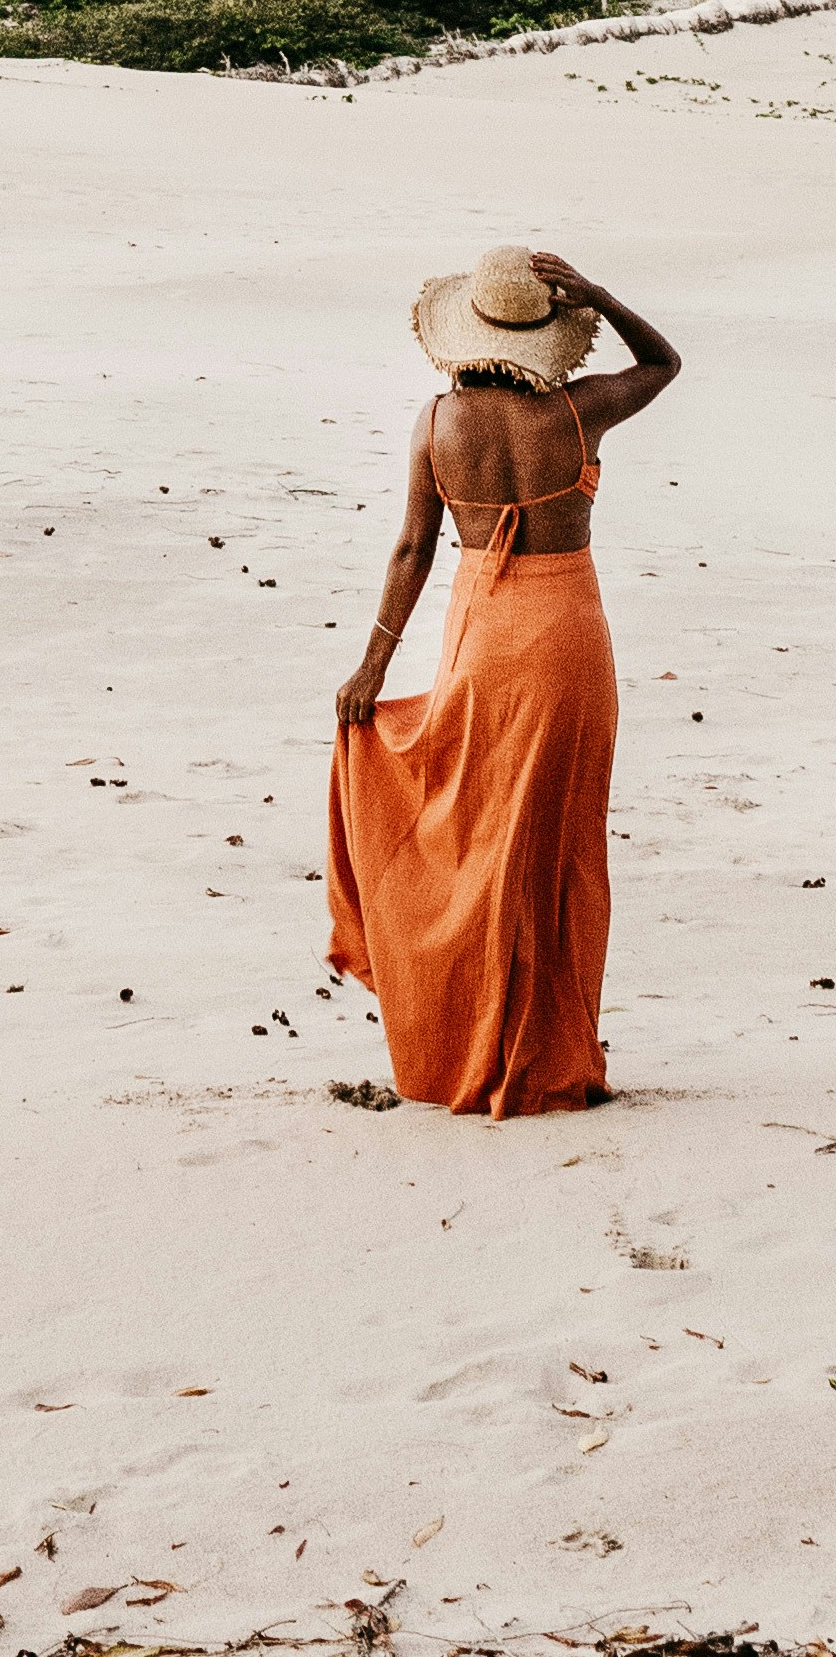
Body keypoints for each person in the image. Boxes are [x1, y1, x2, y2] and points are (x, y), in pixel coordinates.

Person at [323, 239, 683, 1118]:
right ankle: (548, 1056)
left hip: (480, 641)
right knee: (557, 852)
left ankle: (466, 1041)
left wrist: (372, 663)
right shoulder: (579, 413)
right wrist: (602, 291)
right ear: (550, 334)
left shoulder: (438, 423)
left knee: (481, 843)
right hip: (567, 644)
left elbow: (413, 547)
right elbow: (665, 362)